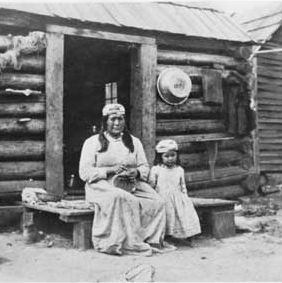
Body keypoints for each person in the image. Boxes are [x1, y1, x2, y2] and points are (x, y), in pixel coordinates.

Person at [79, 103, 166, 256]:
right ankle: (125, 242)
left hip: (131, 183)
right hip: (101, 185)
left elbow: (144, 166)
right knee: (124, 198)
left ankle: (149, 239)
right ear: (105, 121)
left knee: (157, 202)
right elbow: (84, 172)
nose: (117, 123)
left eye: (120, 119)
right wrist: (109, 171)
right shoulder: (92, 142)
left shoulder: (134, 142)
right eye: (113, 119)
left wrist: (137, 172)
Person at [148, 139, 201, 242]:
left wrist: (185, 197)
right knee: (166, 216)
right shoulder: (156, 169)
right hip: (162, 197)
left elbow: (183, 185)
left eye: (173, 155)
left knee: (184, 214)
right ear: (160, 157)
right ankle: (164, 235)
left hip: (178, 198)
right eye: (166, 156)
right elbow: (151, 185)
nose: (170, 159)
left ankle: (186, 234)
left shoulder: (179, 170)